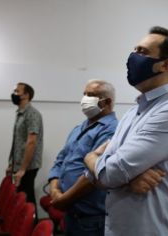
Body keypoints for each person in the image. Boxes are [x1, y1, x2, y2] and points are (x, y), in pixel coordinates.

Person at [57, 26, 168, 236]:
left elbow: (109, 174)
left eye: (142, 52)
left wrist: (93, 157)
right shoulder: (133, 113)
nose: (133, 57)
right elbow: (99, 176)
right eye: (134, 51)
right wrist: (126, 177)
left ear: (166, 65)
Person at [48, 79, 118, 236]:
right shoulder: (79, 128)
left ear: (106, 102)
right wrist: (54, 190)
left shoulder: (111, 131)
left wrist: (64, 199)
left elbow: (93, 175)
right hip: (70, 213)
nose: (84, 99)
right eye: (84, 94)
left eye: (91, 95)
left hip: (90, 219)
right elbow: (61, 160)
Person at [6, 82, 43, 216]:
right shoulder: (20, 113)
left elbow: (31, 142)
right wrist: (12, 163)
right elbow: (17, 141)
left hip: (28, 166)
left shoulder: (32, 114)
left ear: (26, 95)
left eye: (17, 91)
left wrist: (22, 169)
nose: (14, 93)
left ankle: (33, 228)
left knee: (27, 199)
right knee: (22, 199)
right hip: (19, 164)